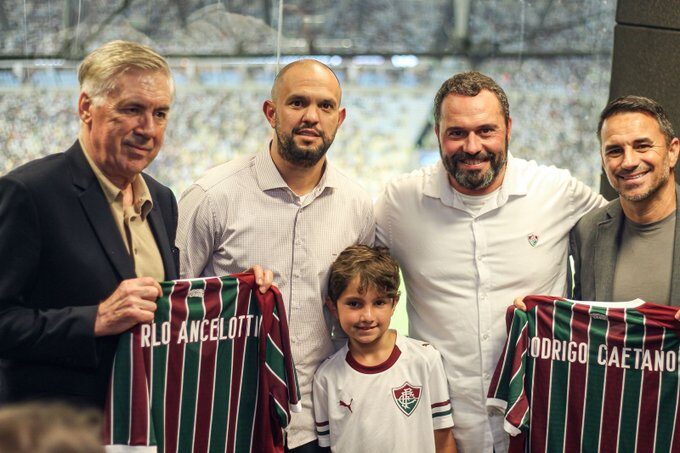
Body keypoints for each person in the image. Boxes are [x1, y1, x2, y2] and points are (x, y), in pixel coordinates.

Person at [374, 71, 606, 452]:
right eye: (457, 133)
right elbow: (348, 267)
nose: (472, 146)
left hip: (541, 423)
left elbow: (631, 229)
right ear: (437, 133)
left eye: (486, 130)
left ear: (508, 128)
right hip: (442, 431)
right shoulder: (399, 203)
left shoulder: (556, 191)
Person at [177, 59, 374, 452]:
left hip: (321, 424)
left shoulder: (357, 205)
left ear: (340, 119)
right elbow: (172, 306)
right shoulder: (212, 196)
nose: (312, 117)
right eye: (297, 103)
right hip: (231, 420)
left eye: (325, 106)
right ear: (271, 112)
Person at [0, 40, 179, 408]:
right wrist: (95, 319)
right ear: (86, 107)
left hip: (145, 419)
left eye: (160, 113)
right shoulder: (29, 192)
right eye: (132, 109)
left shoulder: (162, 200)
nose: (148, 128)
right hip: (58, 426)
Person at [313, 245, 456, 453]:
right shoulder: (326, 377)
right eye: (354, 304)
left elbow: (443, 439)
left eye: (379, 302)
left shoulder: (425, 359)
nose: (367, 316)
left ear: (394, 303)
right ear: (333, 307)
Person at [571, 95, 680, 307]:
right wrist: (533, 311)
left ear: (672, 151)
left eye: (642, 146)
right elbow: (581, 319)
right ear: (603, 161)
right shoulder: (588, 230)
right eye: (615, 151)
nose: (629, 162)